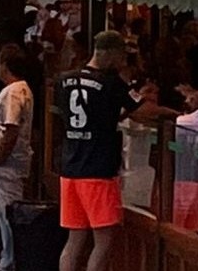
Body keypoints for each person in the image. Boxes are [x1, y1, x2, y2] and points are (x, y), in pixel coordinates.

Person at [57, 30, 173, 271]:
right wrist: (174, 114)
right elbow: (142, 110)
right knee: (104, 240)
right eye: (122, 56)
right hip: (98, 170)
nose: (123, 63)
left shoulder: (65, 80)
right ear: (109, 54)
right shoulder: (111, 82)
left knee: (74, 240)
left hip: (70, 168)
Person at [0, 50, 35, 271]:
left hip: (8, 162)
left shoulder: (13, 92)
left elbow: (11, 128)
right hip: (13, 160)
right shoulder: (22, 89)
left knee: (7, 211)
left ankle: (10, 259)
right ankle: (10, 256)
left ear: (4, 65)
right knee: (6, 209)